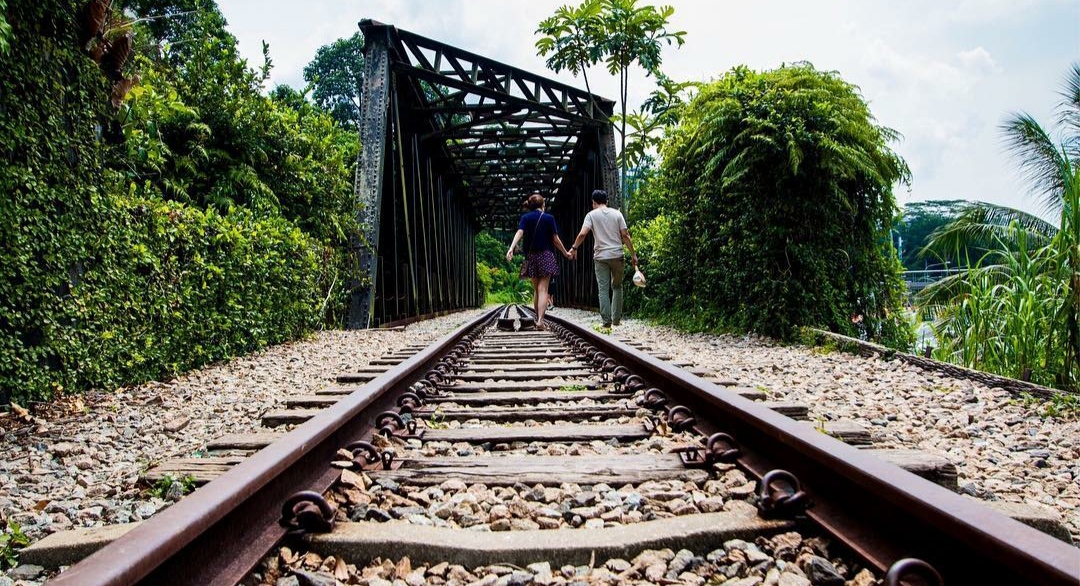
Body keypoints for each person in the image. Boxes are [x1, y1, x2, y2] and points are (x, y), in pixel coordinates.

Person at [568, 189, 638, 328]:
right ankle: (616, 319)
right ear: (607, 201)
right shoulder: (617, 214)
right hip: (618, 255)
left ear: (593, 202)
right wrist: (633, 254)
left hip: (600, 257)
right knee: (617, 287)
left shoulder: (591, 215)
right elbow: (625, 235)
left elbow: (582, 234)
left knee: (603, 289)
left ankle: (606, 321)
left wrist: (574, 248)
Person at [506, 193, 572, 329]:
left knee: (536, 290)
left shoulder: (525, 218)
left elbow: (519, 232)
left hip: (531, 257)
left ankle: (537, 318)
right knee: (543, 290)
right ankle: (540, 321)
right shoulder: (549, 218)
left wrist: (511, 248)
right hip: (546, 256)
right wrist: (565, 252)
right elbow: (555, 239)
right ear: (543, 205)